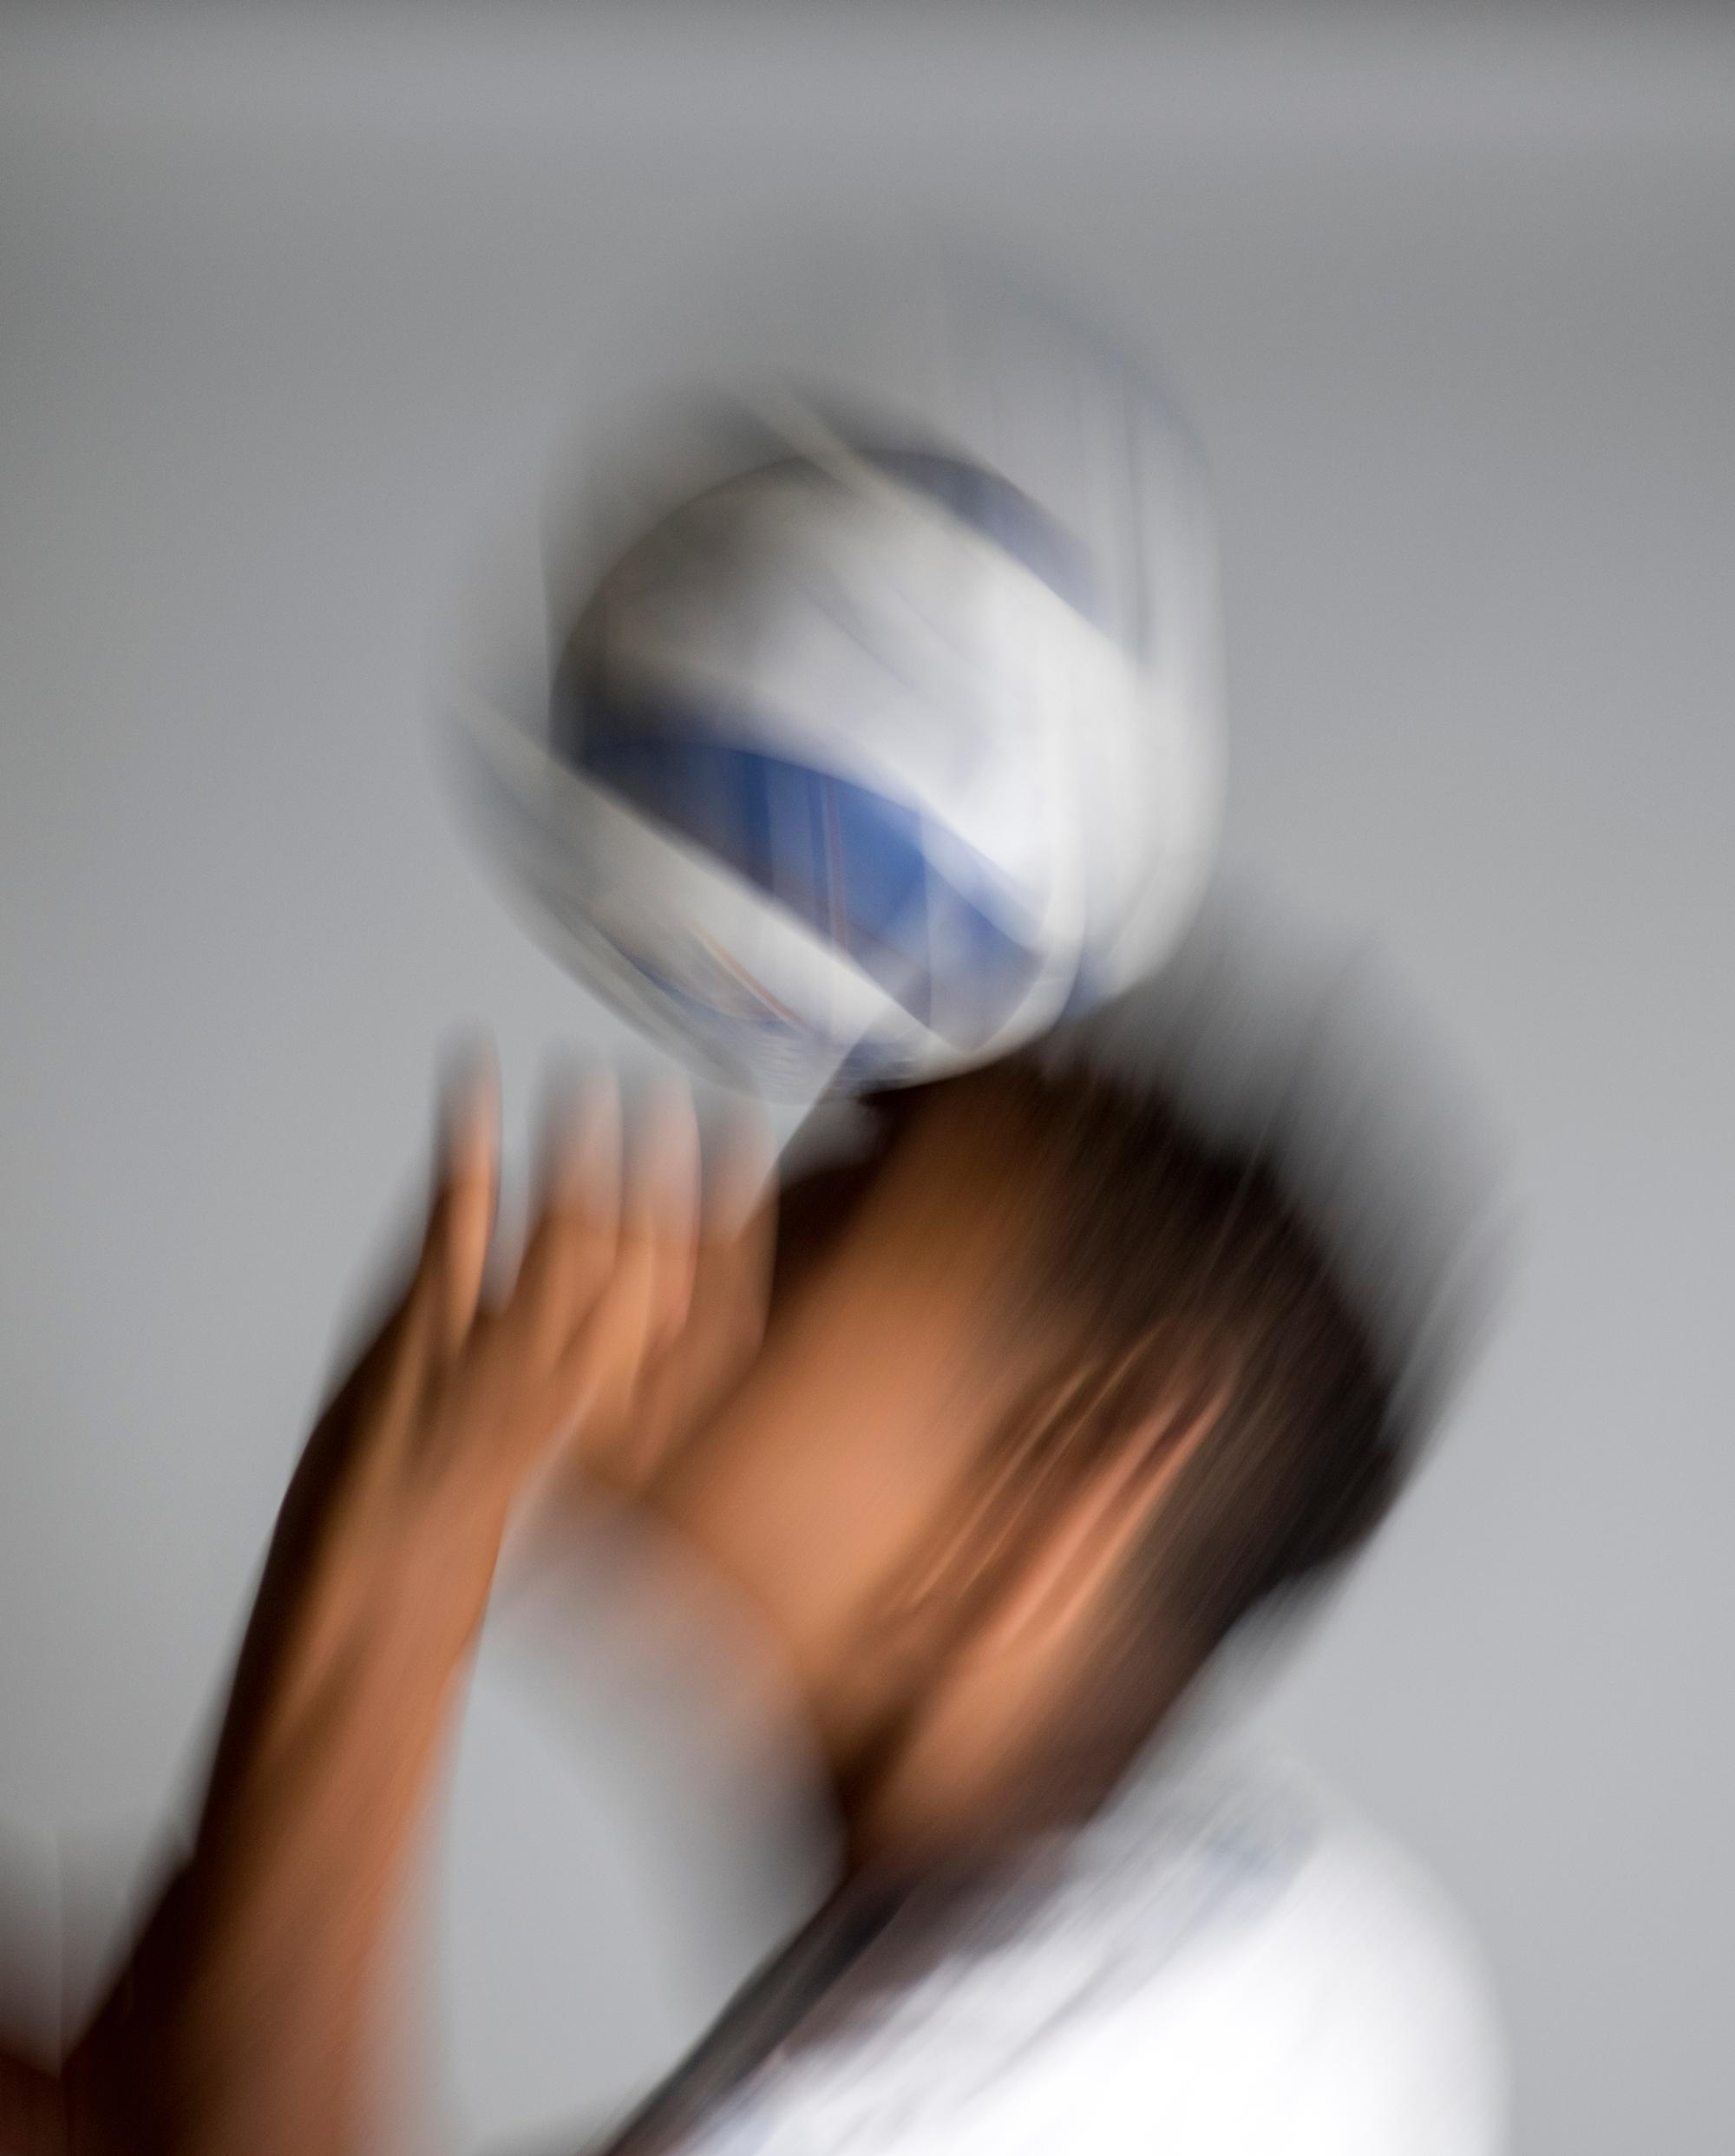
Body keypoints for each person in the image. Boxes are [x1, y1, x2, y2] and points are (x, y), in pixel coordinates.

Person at [3, 1035, 1504, 2155]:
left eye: (823, 1226)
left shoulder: (1249, 2018)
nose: (709, 1242)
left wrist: (396, 1554)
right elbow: (157, 2103)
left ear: (1067, 1489)